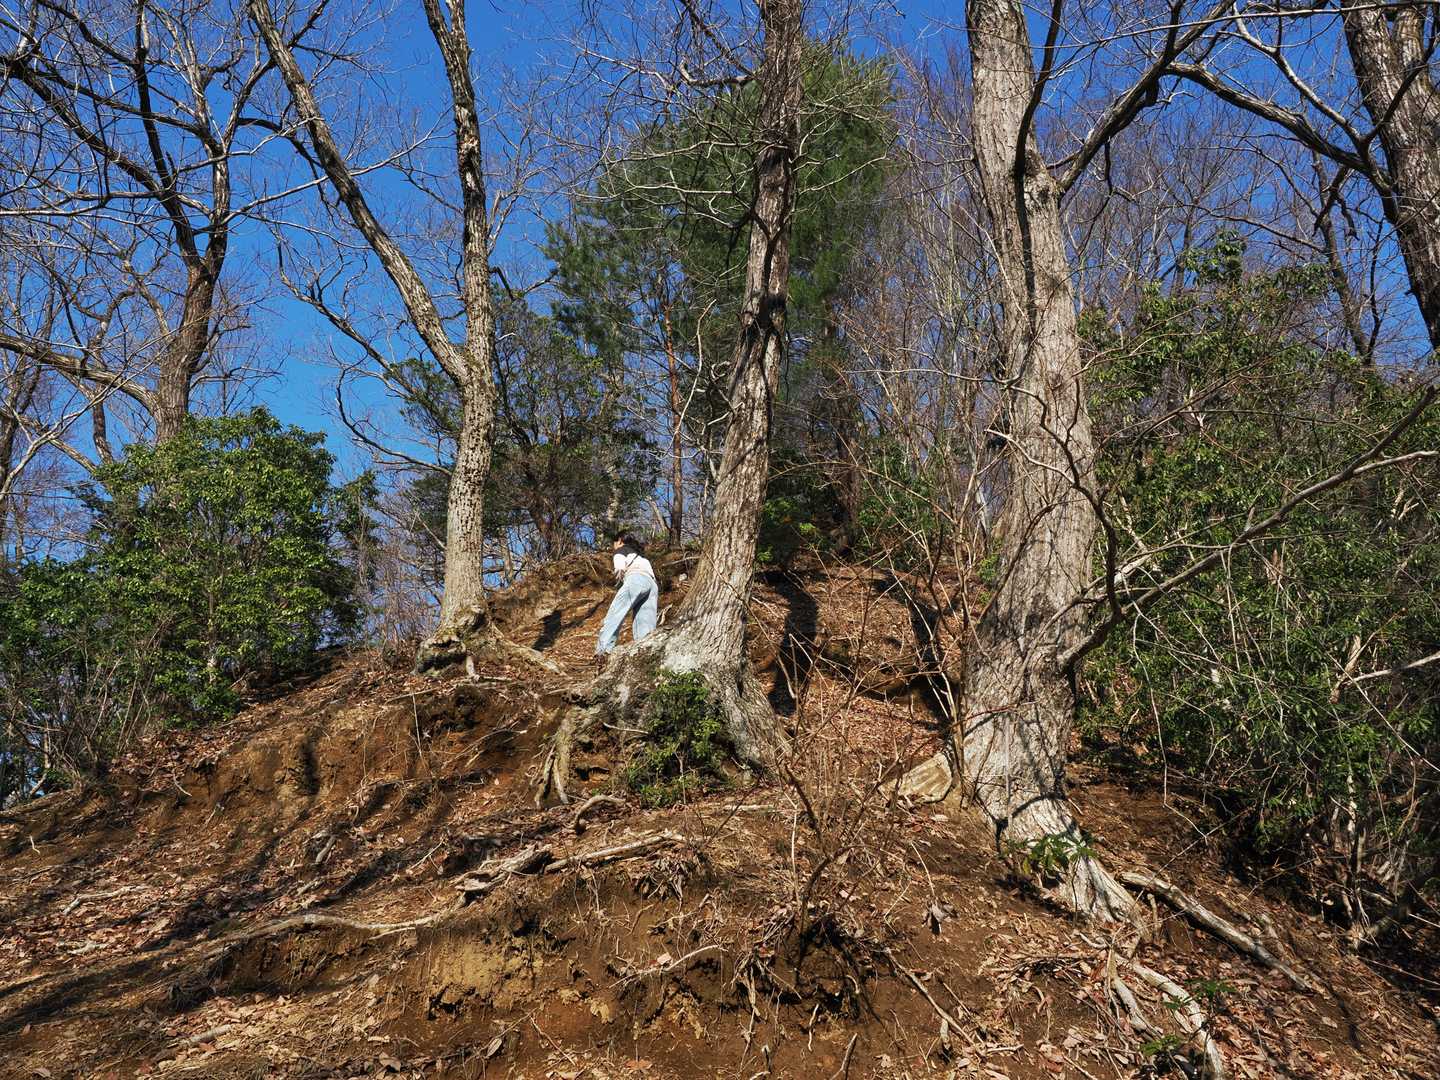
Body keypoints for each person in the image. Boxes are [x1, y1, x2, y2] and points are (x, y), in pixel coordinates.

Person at [596, 532, 658, 662]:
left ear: (619, 541)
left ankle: (603, 652)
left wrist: (619, 581)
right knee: (645, 623)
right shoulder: (641, 557)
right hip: (652, 585)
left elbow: (619, 568)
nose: (613, 546)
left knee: (615, 614)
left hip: (635, 579)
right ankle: (645, 655)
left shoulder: (621, 550)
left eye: (613, 543)